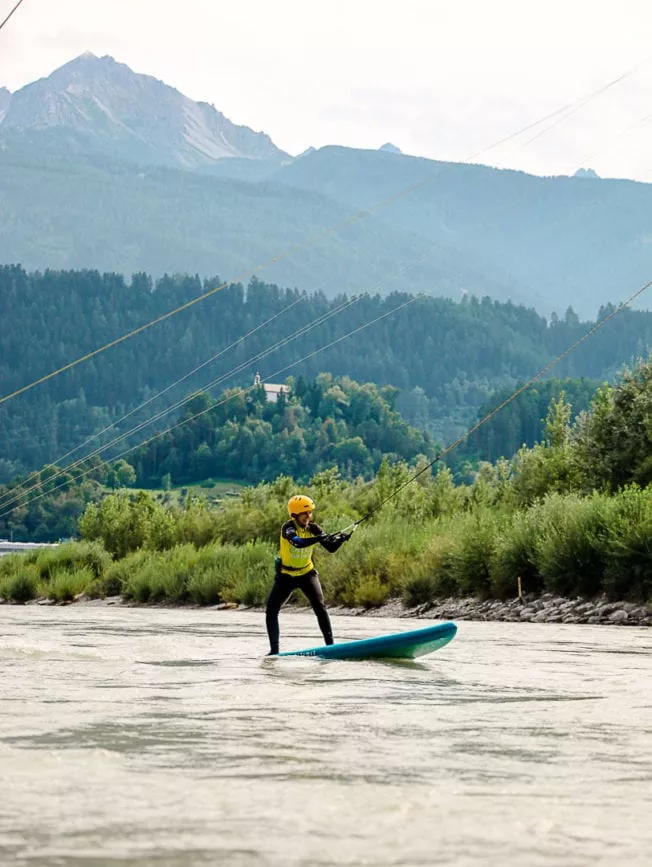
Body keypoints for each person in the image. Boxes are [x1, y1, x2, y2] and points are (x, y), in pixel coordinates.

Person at [265, 494, 351, 655]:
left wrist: (341, 540)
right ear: (295, 514)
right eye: (305, 514)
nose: (309, 516)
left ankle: (330, 647)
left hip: (307, 574)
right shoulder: (288, 528)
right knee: (271, 609)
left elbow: (330, 548)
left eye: (310, 513)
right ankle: (274, 651)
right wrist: (319, 538)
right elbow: (298, 543)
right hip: (286, 576)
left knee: (320, 607)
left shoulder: (314, 528)